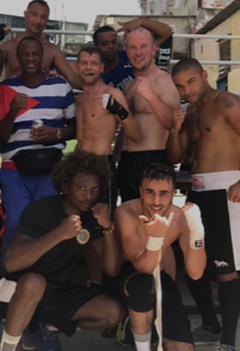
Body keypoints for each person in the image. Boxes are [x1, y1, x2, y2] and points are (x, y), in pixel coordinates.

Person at [168, 58, 240, 351]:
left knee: (225, 269)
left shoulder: (227, 102)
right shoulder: (191, 111)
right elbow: (174, 156)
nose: (186, 90)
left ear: (204, 76)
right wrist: (175, 129)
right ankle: (211, 325)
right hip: (196, 194)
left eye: (190, 82)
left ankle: (228, 343)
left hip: (225, 191)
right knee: (193, 264)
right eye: (179, 86)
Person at [0, 151, 125, 351]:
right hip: (14, 289)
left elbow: (112, 269)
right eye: (81, 188)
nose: (89, 196)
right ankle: (7, 348)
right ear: (65, 187)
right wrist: (58, 234)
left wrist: (107, 228)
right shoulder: (41, 209)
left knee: (114, 312)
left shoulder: (92, 216)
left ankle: (44, 328)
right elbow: (11, 263)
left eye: (94, 189)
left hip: (56, 291)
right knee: (35, 282)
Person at [103, 164, 206, 351]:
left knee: (183, 349)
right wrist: (156, 239)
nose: (156, 201)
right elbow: (142, 268)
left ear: (173, 193)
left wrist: (197, 233)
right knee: (142, 286)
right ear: (141, 192)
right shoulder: (126, 212)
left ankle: (138, 323)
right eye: (150, 192)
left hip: (160, 278)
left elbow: (196, 272)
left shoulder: (180, 218)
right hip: (128, 277)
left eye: (163, 194)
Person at [0, 35, 76, 258]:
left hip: (50, 170)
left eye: (35, 54)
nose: (30, 58)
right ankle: (8, 284)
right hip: (15, 170)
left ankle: (41, 285)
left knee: (46, 228)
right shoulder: (4, 88)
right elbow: (0, 137)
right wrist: (12, 111)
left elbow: (75, 128)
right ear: (17, 58)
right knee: (15, 226)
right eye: (25, 54)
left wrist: (55, 133)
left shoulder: (60, 86)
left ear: (43, 57)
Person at [74, 45, 142, 292]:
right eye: (84, 63)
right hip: (78, 168)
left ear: (101, 67)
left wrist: (119, 111)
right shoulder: (79, 99)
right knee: (83, 233)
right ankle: (95, 287)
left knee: (103, 232)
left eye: (93, 63)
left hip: (101, 168)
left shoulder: (113, 93)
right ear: (77, 67)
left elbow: (135, 133)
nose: (89, 67)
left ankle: (112, 290)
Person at [117, 27, 181, 202]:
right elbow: (127, 126)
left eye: (143, 46)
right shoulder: (129, 87)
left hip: (154, 160)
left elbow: (175, 124)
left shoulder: (164, 81)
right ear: (127, 52)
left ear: (154, 50)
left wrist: (150, 96)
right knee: (128, 221)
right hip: (128, 162)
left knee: (154, 224)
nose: (138, 52)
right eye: (132, 47)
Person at [0, 0, 81, 88]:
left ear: (47, 21)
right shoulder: (9, 46)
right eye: (34, 14)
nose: (38, 21)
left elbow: (72, 77)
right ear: (26, 15)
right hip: (10, 99)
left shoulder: (52, 51)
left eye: (43, 17)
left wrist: (96, 84)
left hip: (40, 100)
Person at [93, 19, 173, 91]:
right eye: (104, 44)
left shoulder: (131, 55)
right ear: (96, 48)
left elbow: (166, 32)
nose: (110, 46)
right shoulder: (96, 75)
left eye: (113, 42)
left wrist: (141, 22)